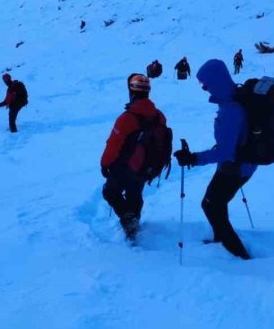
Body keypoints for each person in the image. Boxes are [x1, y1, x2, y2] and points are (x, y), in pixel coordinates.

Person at [174, 59, 256, 260]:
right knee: (216, 202)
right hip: (238, 164)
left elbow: (226, 152)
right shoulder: (232, 100)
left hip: (236, 167)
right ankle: (221, 238)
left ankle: (238, 253)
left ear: (216, 81)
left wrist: (194, 158)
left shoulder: (231, 110)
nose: (204, 89)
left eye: (205, 84)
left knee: (211, 205)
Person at [100, 73, 171, 242]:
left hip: (126, 166)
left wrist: (105, 164)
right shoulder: (159, 115)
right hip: (148, 166)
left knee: (110, 191)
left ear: (131, 91)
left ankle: (129, 221)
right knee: (135, 193)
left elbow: (114, 144)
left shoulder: (127, 118)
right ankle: (133, 224)